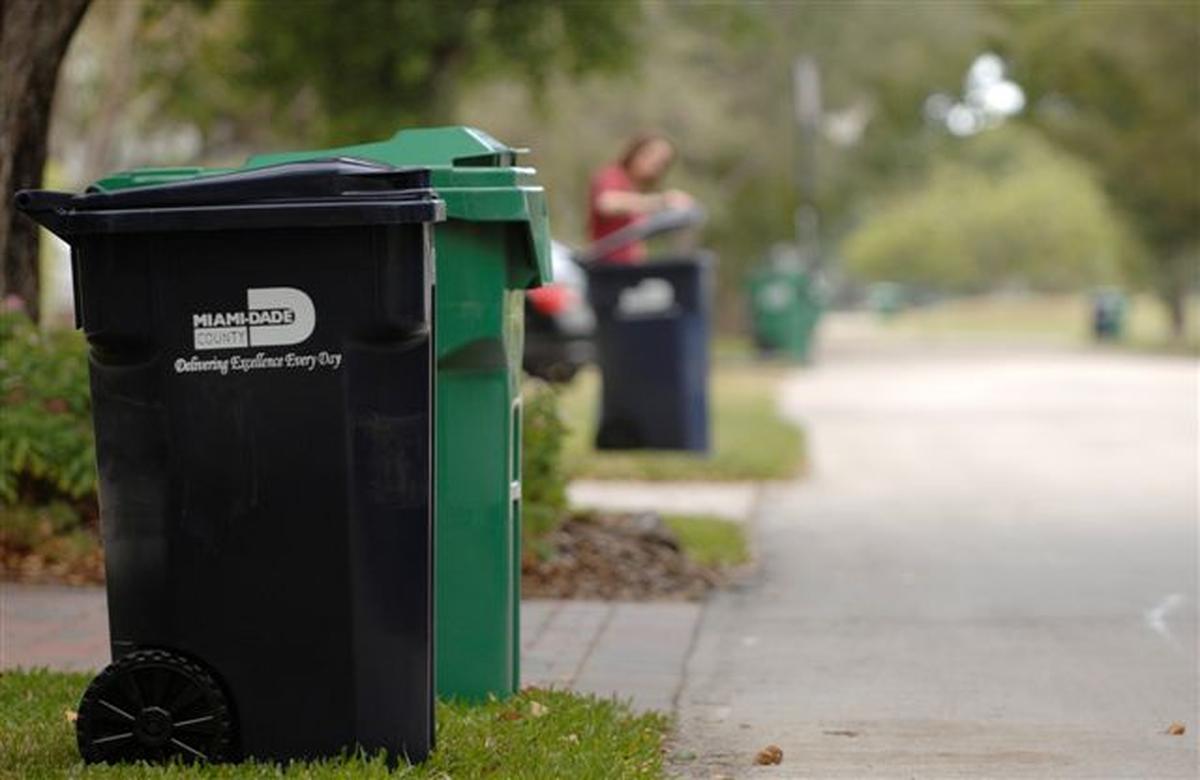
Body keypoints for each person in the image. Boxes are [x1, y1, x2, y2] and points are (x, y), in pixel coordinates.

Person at [588, 133, 692, 264]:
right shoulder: (614, 175)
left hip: (630, 265)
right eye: (651, 155)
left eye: (662, 162)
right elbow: (606, 203)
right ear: (636, 151)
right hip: (608, 265)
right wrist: (662, 201)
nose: (655, 164)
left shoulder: (636, 188)